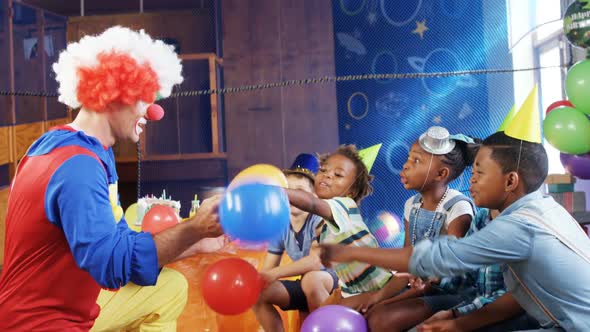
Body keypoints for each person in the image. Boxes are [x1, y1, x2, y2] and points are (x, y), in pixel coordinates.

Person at [0, 26, 224, 331]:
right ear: (114, 93)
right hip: (40, 324)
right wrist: (194, 227)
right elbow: (112, 266)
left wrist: (197, 241)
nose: (154, 111)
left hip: (66, 310)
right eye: (145, 97)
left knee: (168, 288)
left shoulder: (82, 148)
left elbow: (118, 241)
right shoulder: (77, 167)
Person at [320, 131, 590, 331]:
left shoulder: (521, 225)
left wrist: (348, 252)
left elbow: (441, 257)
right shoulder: (540, 210)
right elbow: (516, 297)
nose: (471, 179)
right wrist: (458, 321)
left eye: (480, 173)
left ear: (510, 181)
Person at [362, 126, 479, 331]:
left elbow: (444, 271)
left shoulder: (458, 207)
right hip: (421, 288)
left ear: (441, 173)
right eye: (409, 158)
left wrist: (388, 302)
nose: (406, 165)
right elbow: (407, 263)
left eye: (417, 161)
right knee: (364, 308)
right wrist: (378, 297)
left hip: (452, 293)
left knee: (380, 319)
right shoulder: (411, 205)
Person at [284, 145, 394, 304]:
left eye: (338, 175)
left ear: (351, 192)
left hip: (380, 286)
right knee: (323, 313)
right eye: (323, 170)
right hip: (353, 289)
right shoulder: (321, 225)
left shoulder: (345, 205)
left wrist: (277, 192)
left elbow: (313, 204)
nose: (327, 176)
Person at [254, 153, 338, 332]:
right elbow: (268, 271)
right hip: (306, 284)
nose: (292, 197)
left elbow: (315, 262)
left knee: (312, 278)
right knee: (256, 291)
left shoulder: (319, 219)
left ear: (312, 196)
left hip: (333, 281)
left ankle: (327, 327)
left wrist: (274, 274)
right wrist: (261, 280)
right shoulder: (281, 224)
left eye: (298, 192)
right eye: (288, 190)